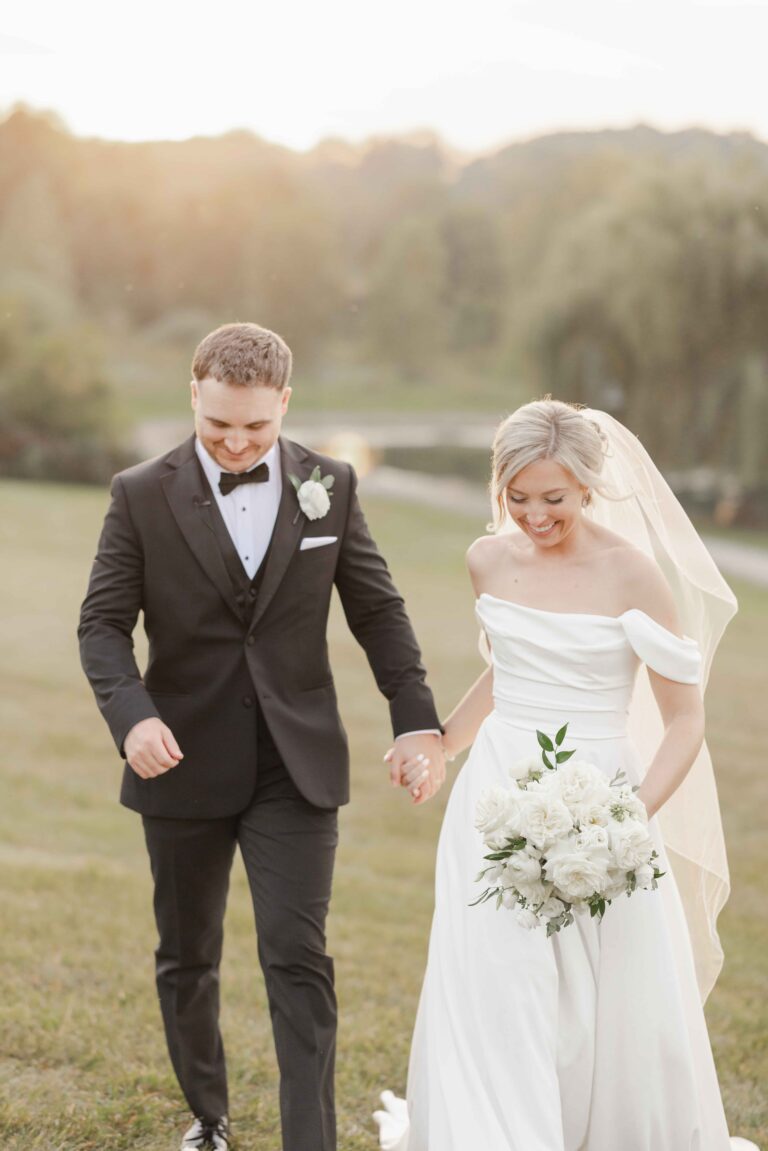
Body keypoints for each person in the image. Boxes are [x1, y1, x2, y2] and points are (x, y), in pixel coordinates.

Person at [78, 322, 445, 1151]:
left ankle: (307, 1141)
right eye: (218, 427)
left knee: (298, 955)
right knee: (188, 954)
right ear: (194, 397)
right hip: (180, 757)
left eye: (256, 426)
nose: (238, 444)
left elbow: (378, 612)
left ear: (285, 401)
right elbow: (102, 626)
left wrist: (415, 718)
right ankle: (209, 1118)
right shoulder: (140, 492)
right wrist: (132, 717)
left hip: (297, 761)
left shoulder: (332, 486)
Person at [375, 399, 758, 1151]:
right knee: (490, 982)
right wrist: (444, 744)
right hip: (496, 801)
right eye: (517, 497)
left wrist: (628, 816)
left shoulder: (632, 574)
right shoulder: (488, 559)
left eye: (553, 498)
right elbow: (506, 671)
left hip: (604, 799)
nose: (534, 515)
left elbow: (685, 720)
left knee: (601, 999)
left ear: (588, 486)